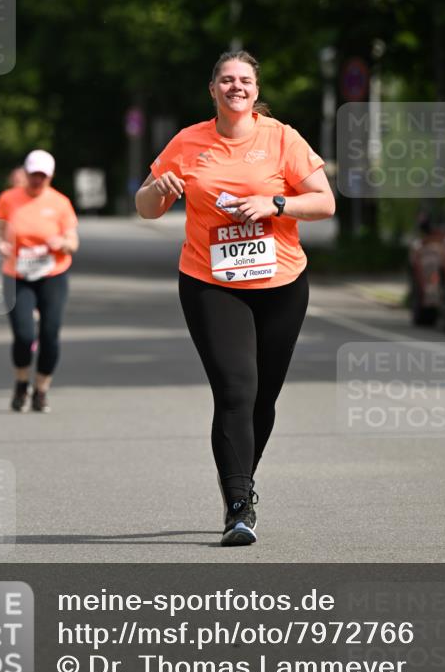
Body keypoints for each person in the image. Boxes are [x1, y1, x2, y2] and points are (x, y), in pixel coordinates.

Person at [136, 50, 335, 547]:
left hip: (282, 284)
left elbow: (325, 202)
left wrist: (277, 202)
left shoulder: (282, 138)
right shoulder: (188, 141)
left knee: (263, 397)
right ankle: (239, 504)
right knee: (235, 391)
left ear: (255, 89)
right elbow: (146, 207)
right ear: (213, 90)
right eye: (227, 80)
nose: (236, 87)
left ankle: (241, 477)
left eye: (244, 80)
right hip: (210, 282)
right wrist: (158, 189)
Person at [0, 150, 78, 413]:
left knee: (50, 334)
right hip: (17, 273)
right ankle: (21, 383)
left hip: (52, 272)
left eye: (43, 175)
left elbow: (73, 243)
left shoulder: (60, 203)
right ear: (26, 173)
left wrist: (61, 243)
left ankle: (41, 389)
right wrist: (1, 244)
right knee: (24, 334)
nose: (37, 180)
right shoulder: (9, 199)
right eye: (33, 175)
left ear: (50, 176)